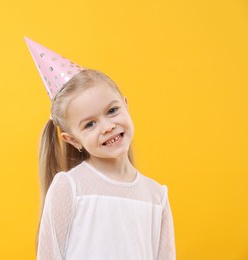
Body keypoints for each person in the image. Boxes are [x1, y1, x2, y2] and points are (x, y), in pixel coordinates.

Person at [25, 37, 176, 260]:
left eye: (112, 111)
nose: (107, 127)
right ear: (73, 140)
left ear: (126, 104)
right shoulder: (70, 187)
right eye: (90, 124)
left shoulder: (156, 196)